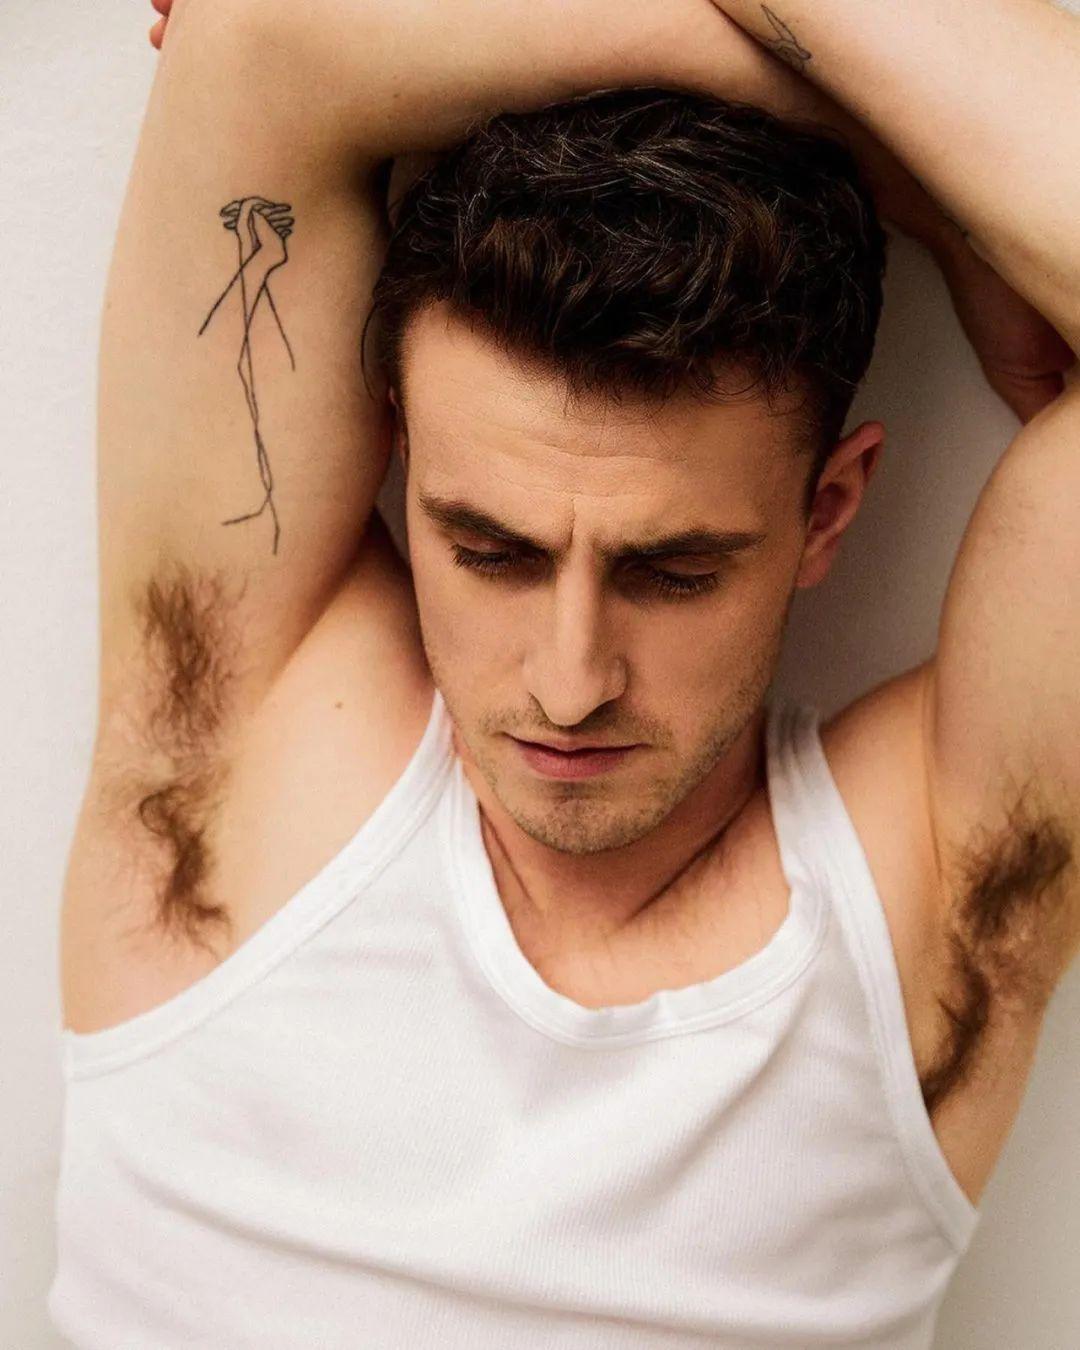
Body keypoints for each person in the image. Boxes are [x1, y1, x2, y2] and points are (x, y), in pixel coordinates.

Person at [50, 0, 1078, 1345]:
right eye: (491, 551)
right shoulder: (230, 765)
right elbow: (256, 45)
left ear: (827, 512)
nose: (571, 680)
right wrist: (925, 186)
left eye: (674, 571)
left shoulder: (927, 911)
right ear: (402, 453)